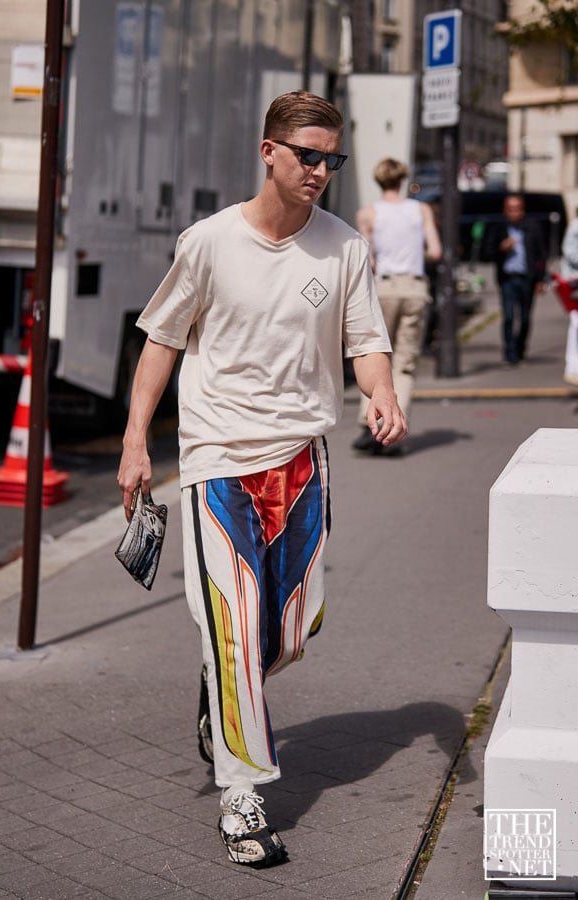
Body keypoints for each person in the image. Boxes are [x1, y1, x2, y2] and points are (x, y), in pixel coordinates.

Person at [117, 91, 406, 868]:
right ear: (269, 152)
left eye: (331, 159)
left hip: (301, 461)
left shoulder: (344, 245)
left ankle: (222, 698)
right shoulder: (208, 242)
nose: (320, 171)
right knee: (236, 626)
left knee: (286, 633)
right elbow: (161, 342)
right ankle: (243, 795)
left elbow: (364, 339)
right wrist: (137, 439)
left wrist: (380, 391)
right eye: (307, 155)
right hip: (216, 462)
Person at [352, 158, 442, 455]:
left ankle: (371, 426)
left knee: (375, 353)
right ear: (402, 179)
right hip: (414, 287)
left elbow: (369, 259)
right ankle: (394, 429)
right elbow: (435, 250)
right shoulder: (421, 210)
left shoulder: (368, 214)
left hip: (384, 287)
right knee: (404, 363)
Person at [483, 194, 547, 366]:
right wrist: (501, 248)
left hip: (528, 278)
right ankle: (510, 352)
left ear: (523, 210)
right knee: (509, 316)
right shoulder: (499, 228)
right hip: (507, 278)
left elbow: (541, 255)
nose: (515, 213)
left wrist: (541, 279)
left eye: (517, 209)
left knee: (525, 318)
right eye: (511, 209)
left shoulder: (532, 227)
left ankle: (520, 348)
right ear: (505, 211)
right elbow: (487, 252)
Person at [560, 212, 578, 385]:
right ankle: (573, 368)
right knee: (576, 324)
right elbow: (570, 253)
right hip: (575, 282)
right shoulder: (575, 227)